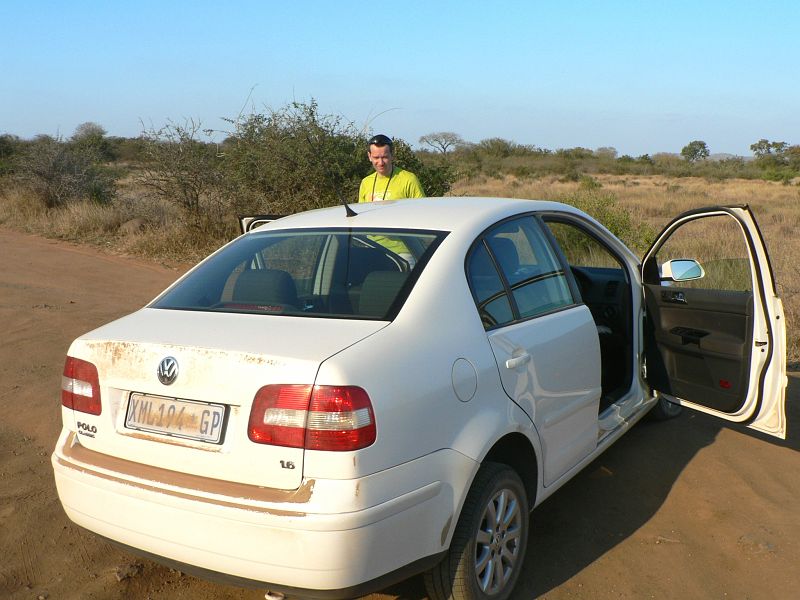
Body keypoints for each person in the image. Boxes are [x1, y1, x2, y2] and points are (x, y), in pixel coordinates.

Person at [358, 134, 425, 203]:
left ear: (392, 155)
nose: (381, 162)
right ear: (369, 156)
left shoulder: (409, 180)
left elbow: (422, 208)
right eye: (376, 157)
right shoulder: (365, 183)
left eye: (385, 157)